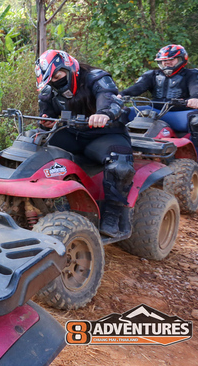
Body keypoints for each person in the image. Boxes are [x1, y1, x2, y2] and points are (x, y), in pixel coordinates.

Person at [35, 50, 133, 238]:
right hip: (73, 133)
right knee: (35, 141)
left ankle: (113, 213)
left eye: (58, 75)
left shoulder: (97, 79)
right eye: (51, 79)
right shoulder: (49, 90)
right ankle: (45, 197)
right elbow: (46, 115)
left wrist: (104, 113)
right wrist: (45, 121)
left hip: (106, 134)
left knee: (120, 165)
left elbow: (110, 98)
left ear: (70, 68)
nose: (55, 81)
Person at [121, 44, 198, 175]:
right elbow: (138, 87)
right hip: (155, 110)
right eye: (164, 60)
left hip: (179, 112)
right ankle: (118, 151)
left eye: (171, 60)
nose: (166, 63)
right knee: (121, 112)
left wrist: (196, 97)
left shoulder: (193, 74)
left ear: (181, 59)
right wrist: (121, 95)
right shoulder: (152, 74)